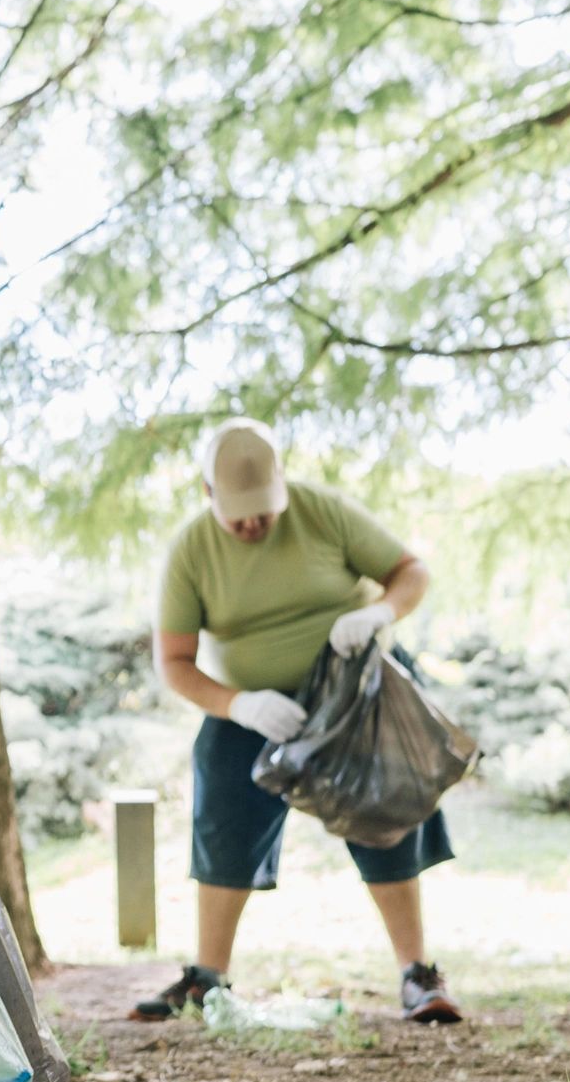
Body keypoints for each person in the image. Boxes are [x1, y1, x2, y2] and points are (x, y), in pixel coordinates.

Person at [134, 417, 463, 1025]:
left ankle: (417, 973)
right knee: (222, 811)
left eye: (264, 510)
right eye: (240, 516)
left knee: (385, 814)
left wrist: (380, 614)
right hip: (252, 705)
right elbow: (175, 664)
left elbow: (410, 570)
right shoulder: (191, 551)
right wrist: (240, 705)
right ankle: (207, 978)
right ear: (209, 496)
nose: (255, 524)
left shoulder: (321, 511)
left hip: (353, 692)